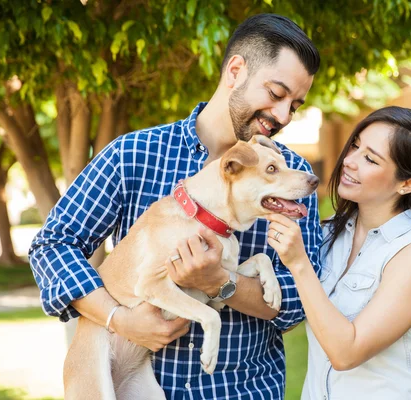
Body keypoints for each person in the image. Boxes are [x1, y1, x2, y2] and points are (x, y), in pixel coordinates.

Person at [29, 14, 322, 399]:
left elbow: (300, 302)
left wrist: (220, 282)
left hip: (240, 389)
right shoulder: (132, 155)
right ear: (235, 70)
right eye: (275, 93)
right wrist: (120, 319)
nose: (282, 116)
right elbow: (53, 245)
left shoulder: (292, 177)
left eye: (295, 106)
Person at [266, 106, 411, 399]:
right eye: (355, 146)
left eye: (370, 158)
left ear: (408, 183)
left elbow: (347, 353)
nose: (349, 161)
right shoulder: (331, 232)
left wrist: (299, 263)